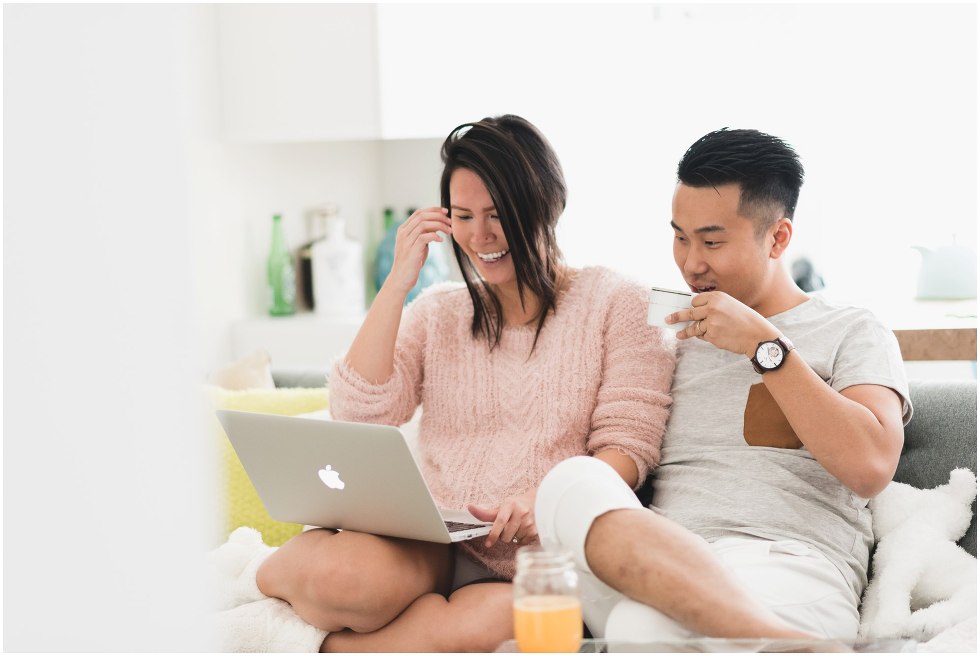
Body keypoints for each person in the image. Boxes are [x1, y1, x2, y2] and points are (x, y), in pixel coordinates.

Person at [220, 115, 674, 652]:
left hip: (537, 553)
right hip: (431, 539)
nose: (480, 237)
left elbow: (627, 447)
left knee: (509, 626)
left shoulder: (618, 302)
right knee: (341, 580)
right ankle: (245, 580)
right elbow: (361, 415)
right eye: (463, 216)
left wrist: (548, 500)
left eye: (498, 214)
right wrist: (397, 284)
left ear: (547, 205)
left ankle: (301, 641)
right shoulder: (438, 312)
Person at [535, 128, 912, 645]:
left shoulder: (851, 329)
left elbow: (870, 468)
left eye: (712, 241)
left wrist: (767, 349)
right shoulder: (661, 334)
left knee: (638, 629)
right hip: (659, 561)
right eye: (680, 237)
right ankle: (773, 640)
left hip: (786, 564)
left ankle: (762, 632)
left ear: (778, 238)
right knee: (570, 481)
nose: (691, 263)